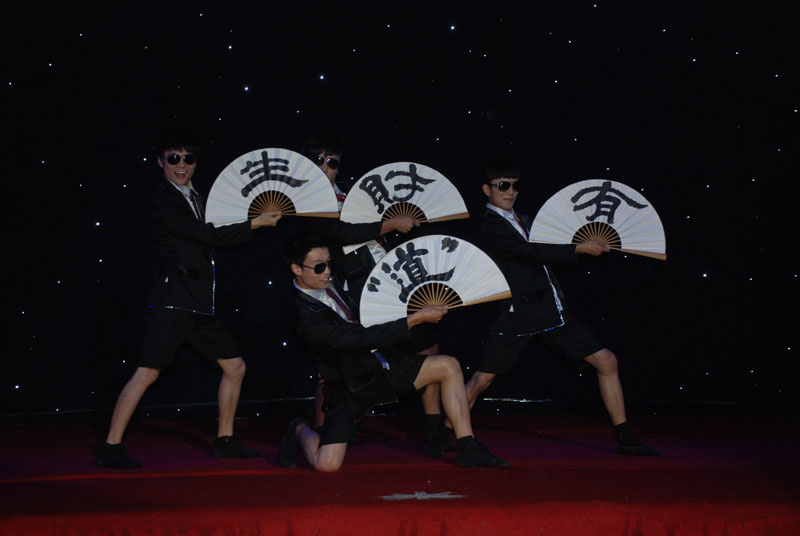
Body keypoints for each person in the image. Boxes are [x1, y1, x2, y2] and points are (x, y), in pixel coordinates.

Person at [96, 131, 282, 469]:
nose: (181, 165)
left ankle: (225, 440)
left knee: (235, 367)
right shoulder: (164, 202)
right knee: (147, 373)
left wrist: (254, 218)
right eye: (173, 158)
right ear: (160, 162)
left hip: (200, 304)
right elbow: (206, 234)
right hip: (173, 301)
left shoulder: (197, 197)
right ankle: (111, 447)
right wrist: (255, 224)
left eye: (188, 158)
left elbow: (217, 227)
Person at [467, 158, 659, 456]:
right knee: (483, 378)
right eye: (503, 186)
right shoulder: (490, 226)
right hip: (520, 314)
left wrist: (579, 245)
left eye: (515, 185)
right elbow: (527, 252)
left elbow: (543, 247)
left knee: (606, 361)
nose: (511, 191)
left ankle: (625, 438)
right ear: (486, 189)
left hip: (550, 310)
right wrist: (578, 248)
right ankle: (449, 432)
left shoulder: (522, 219)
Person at [277, 235, 509, 471]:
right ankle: (299, 428)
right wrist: (414, 319)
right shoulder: (304, 317)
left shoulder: (334, 281)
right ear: (297, 269)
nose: (327, 271)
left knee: (449, 366)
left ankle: (468, 446)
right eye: (319, 267)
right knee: (327, 464)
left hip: (382, 366)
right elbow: (359, 337)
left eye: (329, 263)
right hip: (349, 385)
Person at [299, 133, 449, 454]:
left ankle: (433, 426)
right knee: (335, 364)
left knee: (427, 344)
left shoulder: (352, 196)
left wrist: (394, 235)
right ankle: (324, 429)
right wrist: (389, 224)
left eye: (332, 162)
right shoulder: (307, 202)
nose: (325, 167)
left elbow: (369, 237)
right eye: (318, 160)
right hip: (350, 291)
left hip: (389, 281)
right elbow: (340, 234)